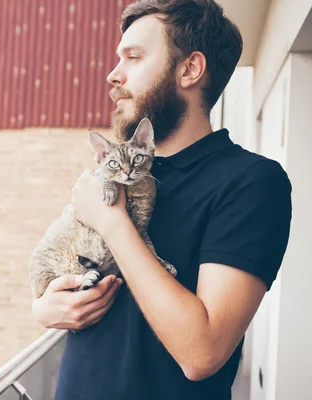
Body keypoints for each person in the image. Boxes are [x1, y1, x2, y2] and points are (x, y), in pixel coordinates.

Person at [31, 1, 293, 399]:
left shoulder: (251, 182)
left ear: (190, 69)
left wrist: (112, 222)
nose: (113, 74)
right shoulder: (118, 170)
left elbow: (202, 352)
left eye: (133, 57)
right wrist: (46, 309)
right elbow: (72, 269)